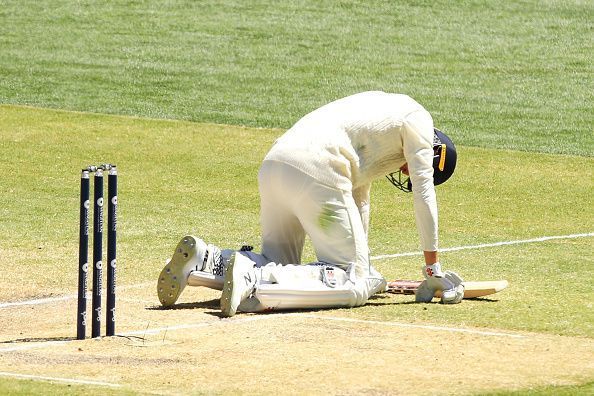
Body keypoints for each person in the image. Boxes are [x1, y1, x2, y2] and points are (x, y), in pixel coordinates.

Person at [157, 91, 464, 317]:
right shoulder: (420, 122)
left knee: (281, 261)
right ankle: (255, 281)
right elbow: (425, 194)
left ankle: (208, 259)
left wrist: (363, 263)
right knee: (353, 285)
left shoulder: (383, 119)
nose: (407, 172)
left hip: (276, 164)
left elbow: (358, 199)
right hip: (318, 168)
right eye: (413, 169)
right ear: (435, 151)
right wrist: (431, 267)